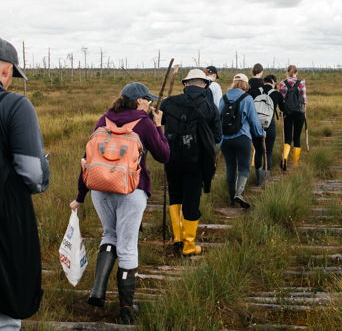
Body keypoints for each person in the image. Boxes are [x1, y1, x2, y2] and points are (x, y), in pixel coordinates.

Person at [70, 82, 169, 324]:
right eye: (148, 100)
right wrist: (158, 126)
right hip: (130, 190)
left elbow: (88, 159)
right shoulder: (144, 123)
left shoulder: (104, 119)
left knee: (109, 235)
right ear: (138, 102)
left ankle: (98, 292)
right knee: (127, 246)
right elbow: (164, 155)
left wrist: (80, 197)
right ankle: (126, 310)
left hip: (99, 188)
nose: (150, 104)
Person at [0, 38, 50, 330]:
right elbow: (32, 173)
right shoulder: (15, 106)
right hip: (5, 223)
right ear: (6, 72)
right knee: (6, 313)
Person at [160, 69, 222, 256]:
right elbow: (218, 137)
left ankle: (177, 238)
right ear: (204, 84)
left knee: (175, 195)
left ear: (186, 84)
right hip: (197, 161)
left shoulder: (168, 103)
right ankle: (189, 245)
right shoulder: (210, 107)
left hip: (171, 158)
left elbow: (156, 123)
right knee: (192, 200)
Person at [219, 74, 265, 208]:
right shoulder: (247, 98)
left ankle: (231, 199)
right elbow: (254, 120)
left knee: (230, 168)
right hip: (242, 138)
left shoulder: (224, 98)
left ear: (233, 83)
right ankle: (239, 193)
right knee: (244, 167)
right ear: (245, 84)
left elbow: (218, 118)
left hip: (225, 139)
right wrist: (261, 133)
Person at [249, 74, 283, 184]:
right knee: (268, 152)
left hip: (256, 126)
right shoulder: (277, 94)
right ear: (274, 83)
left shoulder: (254, 92)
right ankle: (266, 179)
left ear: (263, 82)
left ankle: (258, 179)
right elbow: (284, 108)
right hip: (270, 126)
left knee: (258, 151)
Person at [278, 65, 307, 170]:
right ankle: (295, 164)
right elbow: (304, 100)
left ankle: (285, 158)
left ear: (287, 72)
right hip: (299, 113)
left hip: (287, 114)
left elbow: (281, 100)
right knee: (297, 138)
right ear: (296, 72)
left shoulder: (282, 83)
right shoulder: (301, 83)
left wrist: (282, 112)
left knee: (288, 138)